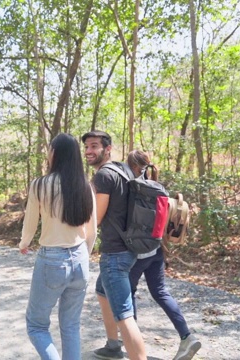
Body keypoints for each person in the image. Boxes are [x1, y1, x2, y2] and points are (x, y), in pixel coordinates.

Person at [20, 133, 97, 360]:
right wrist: (83, 255)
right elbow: (92, 230)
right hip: (81, 258)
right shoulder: (85, 186)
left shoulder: (40, 185)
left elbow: (30, 222)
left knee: (36, 325)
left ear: (55, 153)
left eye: (50, 149)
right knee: (71, 326)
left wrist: (24, 243)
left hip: (52, 260)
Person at [127, 150, 201, 360]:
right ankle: (187, 336)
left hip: (139, 253)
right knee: (160, 292)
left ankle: (133, 343)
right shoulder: (160, 189)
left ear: (131, 166)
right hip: (157, 251)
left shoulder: (135, 189)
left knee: (128, 293)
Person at [81, 130, 147, 360]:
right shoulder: (123, 169)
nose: (89, 151)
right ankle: (112, 346)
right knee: (102, 291)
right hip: (128, 248)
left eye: (94, 146)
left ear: (107, 149)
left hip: (115, 253)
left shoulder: (103, 176)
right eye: (87, 147)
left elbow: (95, 219)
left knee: (124, 315)